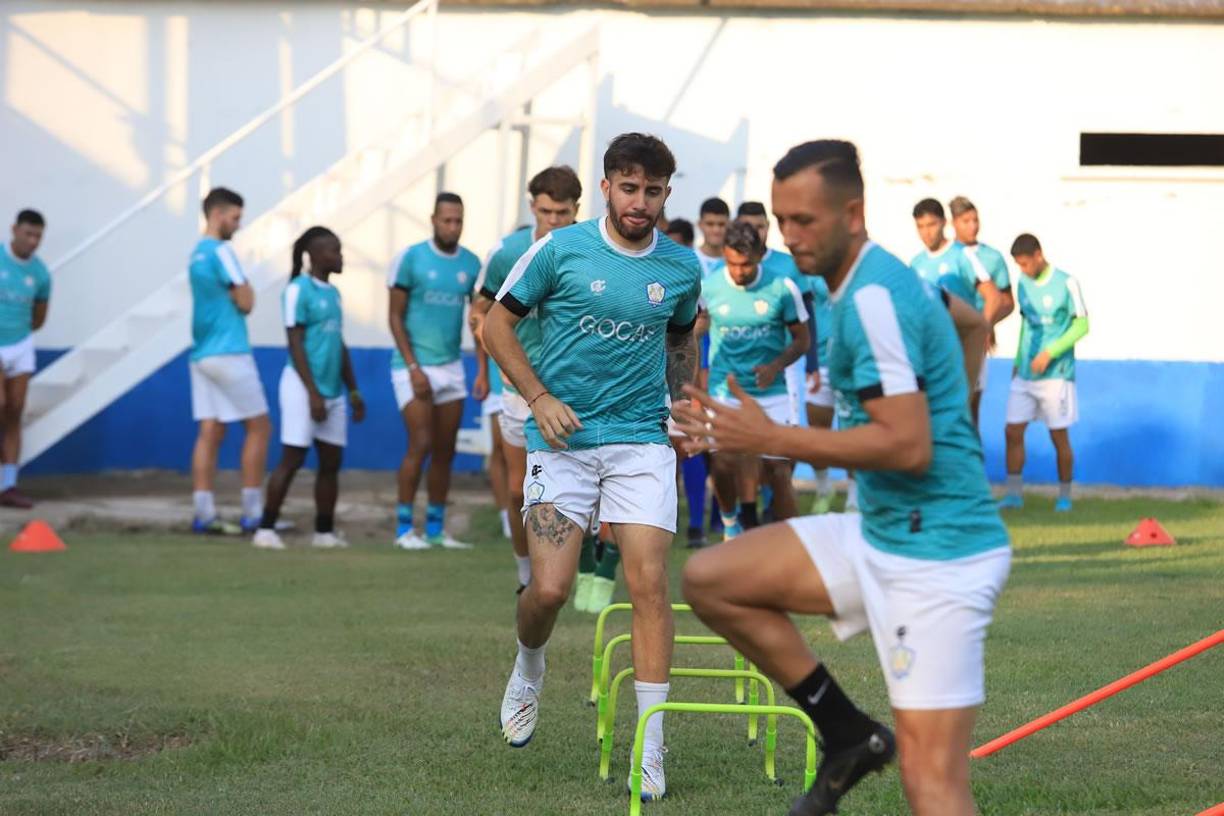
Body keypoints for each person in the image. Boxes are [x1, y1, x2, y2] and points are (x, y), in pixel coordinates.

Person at [675, 139, 1009, 816]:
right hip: (882, 533)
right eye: (782, 221)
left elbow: (910, 447)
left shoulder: (872, 300)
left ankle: (863, 740)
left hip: (939, 556)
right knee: (713, 579)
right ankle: (848, 733)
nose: (791, 237)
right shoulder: (868, 282)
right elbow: (972, 325)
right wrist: (956, 400)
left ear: (852, 213)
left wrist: (770, 437)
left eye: (806, 221)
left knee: (933, 783)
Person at [486, 132, 700, 800]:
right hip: (565, 441)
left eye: (654, 191)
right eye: (629, 188)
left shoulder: (684, 268)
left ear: (667, 192)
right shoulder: (559, 249)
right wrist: (538, 397)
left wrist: (684, 407)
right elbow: (495, 327)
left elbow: (679, 342)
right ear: (606, 187)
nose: (641, 203)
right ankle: (529, 665)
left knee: (648, 587)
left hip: (640, 442)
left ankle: (651, 745)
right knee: (549, 591)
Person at [470, 166, 584, 594]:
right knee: (522, 493)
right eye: (546, 211)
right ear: (531, 205)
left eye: (563, 213)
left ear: (577, 209)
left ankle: (574, 567)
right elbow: (479, 311)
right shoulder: (506, 252)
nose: (553, 220)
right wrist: (494, 354)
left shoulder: (586, 247)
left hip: (572, 387)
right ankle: (526, 576)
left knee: (576, 489)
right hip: (518, 388)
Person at [253, 227, 364, 549]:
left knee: (331, 463)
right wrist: (313, 393)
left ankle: (324, 533)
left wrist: (353, 390)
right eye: (334, 251)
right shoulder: (297, 290)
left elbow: (338, 343)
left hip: (333, 391)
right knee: (293, 458)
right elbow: (294, 342)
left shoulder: (334, 294)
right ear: (314, 255)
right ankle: (265, 530)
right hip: (302, 388)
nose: (340, 257)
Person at [697, 221, 808, 538]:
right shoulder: (710, 288)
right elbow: (695, 332)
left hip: (770, 392)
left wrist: (775, 365)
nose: (738, 271)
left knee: (778, 470)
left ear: (759, 256)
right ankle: (732, 523)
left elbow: (802, 340)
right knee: (721, 464)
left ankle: (794, 541)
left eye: (745, 264)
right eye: (731, 263)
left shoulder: (782, 288)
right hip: (724, 390)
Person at [387, 192, 482, 549]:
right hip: (412, 366)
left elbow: (477, 321)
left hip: (451, 366)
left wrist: (481, 369)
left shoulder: (471, 264)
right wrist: (413, 367)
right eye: (447, 220)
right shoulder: (410, 259)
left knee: (445, 450)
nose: (453, 226)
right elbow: (394, 316)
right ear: (433, 219)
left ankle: (437, 530)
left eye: (458, 220)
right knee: (421, 443)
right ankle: (403, 529)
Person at [187, 188, 271, 534]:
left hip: (201, 352)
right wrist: (244, 292)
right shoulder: (223, 251)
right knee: (259, 427)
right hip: (230, 352)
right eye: (235, 218)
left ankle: (203, 513)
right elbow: (246, 301)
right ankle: (253, 512)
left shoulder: (196, 254)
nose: (238, 225)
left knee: (210, 431)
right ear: (218, 215)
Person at [999, 233, 1089, 512]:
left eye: (1026, 264)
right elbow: (1027, 326)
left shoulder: (1067, 283)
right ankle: (1014, 494)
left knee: (1058, 436)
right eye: (1019, 265)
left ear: (1039, 255)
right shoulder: (1024, 284)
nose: (1022, 270)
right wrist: (1018, 360)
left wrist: (1050, 352)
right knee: (1012, 431)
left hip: (1056, 374)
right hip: (1025, 374)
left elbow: (1082, 326)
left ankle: (1064, 496)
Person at [912, 198, 1009, 426]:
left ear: (944, 223)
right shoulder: (916, 264)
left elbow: (994, 297)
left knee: (966, 413)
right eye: (921, 226)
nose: (927, 232)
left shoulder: (962, 255)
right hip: (932, 350)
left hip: (963, 347)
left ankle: (971, 461)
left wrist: (981, 330)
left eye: (932, 225)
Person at [0, 209, 52, 508]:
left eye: (38, 236)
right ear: (14, 230)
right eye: (28, 233)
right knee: (1, 404)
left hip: (21, 344)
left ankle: (8, 486)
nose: (32, 241)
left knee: (15, 411)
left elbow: (39, 317)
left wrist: (18, 333)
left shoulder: (40, 273)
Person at [949, 196, 1015, 421]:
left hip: (974, 341)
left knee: (970, 408)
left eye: (975, 220)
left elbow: (1006, 301)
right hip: (943, 339)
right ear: (953, 223)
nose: (972, 226)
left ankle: (971, 455)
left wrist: (987, 324)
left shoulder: (992, 258)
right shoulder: (944, 255)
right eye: (965, 221)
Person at [694, 197, 730, 276]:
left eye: (721, 224)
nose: (716, 230)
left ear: (729, 224)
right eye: (710, 224)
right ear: (700, 224)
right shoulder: (689, 260)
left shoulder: (737, 262)